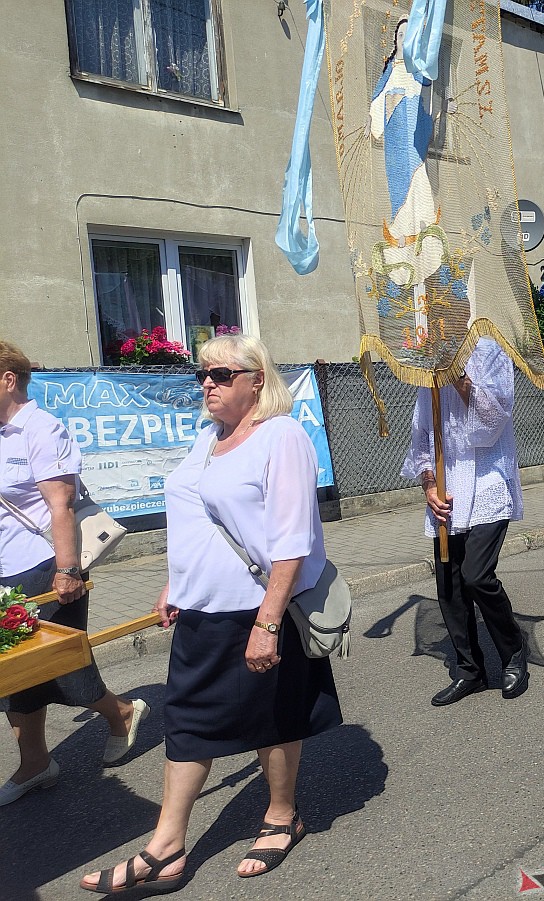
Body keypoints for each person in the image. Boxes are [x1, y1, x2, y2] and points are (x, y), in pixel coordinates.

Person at [80, 335, 341, 891]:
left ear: (257, 380)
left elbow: (293, 540)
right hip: (201, 610)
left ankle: (280, 817)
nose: (209, 383)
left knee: (276, 716)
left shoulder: (281, 436)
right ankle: (167, 847)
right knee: (189, 722)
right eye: (205, 373)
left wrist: (268, 623)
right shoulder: (207, 437)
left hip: (259, 607)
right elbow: (195, 517)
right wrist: (175, 583)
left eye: (224, 374)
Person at [0, 341, 148, 809]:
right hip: (4, 568)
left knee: (60, 664)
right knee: (14, 675)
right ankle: (36, 763)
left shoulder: (41, 429)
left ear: (7, 379)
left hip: (43, 564)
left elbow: (60, 505)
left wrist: (67, 571)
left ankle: (121, 712)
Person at [400, 337, 529, 706]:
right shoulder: (427, 366)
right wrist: (428, 484)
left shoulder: (491, 352)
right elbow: (422, 435)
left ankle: (513, 651)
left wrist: (456, 372)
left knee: (476, 575)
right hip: (447, 487)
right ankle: (470, 670)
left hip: (488, 482)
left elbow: (492, 421)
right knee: (450, 583)